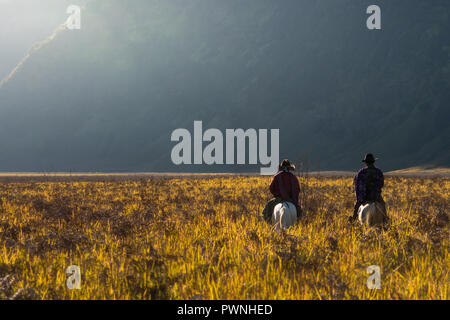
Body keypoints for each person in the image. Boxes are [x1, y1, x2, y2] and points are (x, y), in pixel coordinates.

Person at [349, 153, 387, 222]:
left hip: (364, 196)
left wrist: (361, 197)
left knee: (357, 205)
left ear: (366, 163)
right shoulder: (378, 172)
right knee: (383, 205)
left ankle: (354, 218)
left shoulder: (362, 172)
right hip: (376, 196)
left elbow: (358, 185)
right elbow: (381, 184)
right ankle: (386, 220)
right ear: (373, 162)